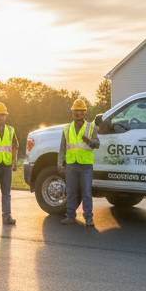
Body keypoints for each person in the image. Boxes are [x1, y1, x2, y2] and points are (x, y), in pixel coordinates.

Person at [58, 97, 100, 227]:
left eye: (81, 111)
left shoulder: (91, 127)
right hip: (71, 165)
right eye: (76, 111)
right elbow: (62, 148)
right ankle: (70, 216)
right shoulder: (67, 128)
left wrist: (88, 140)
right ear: (72, 112)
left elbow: (97, 144)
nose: (78, 113)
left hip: (86, 166)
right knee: (71, 192)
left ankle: (88, 218)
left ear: (84, 112)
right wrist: (60, 163)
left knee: (86, 192)